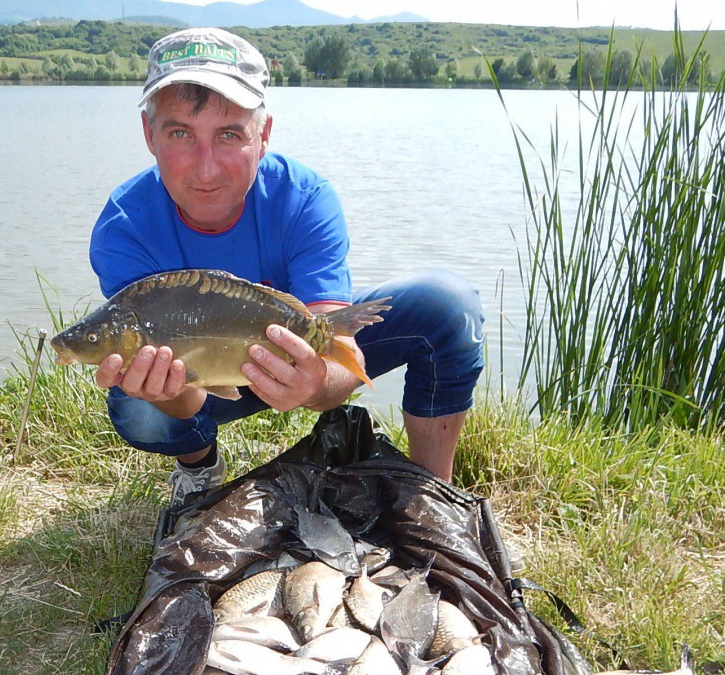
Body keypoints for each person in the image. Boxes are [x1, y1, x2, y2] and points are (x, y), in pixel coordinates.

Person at [89, 27, 485, 507]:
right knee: (141, 408)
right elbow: (184, 398)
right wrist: (168, 393)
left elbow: (337, 349)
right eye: (180, 133)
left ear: (264, 135)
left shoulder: (306, 198)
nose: (206, 167)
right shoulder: (125, 227)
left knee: (447, 304)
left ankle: (431, 491)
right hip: (202, 376)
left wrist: (315, 383)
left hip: (295, 351)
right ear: (149, 135)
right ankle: (199, 464)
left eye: (229, 134)